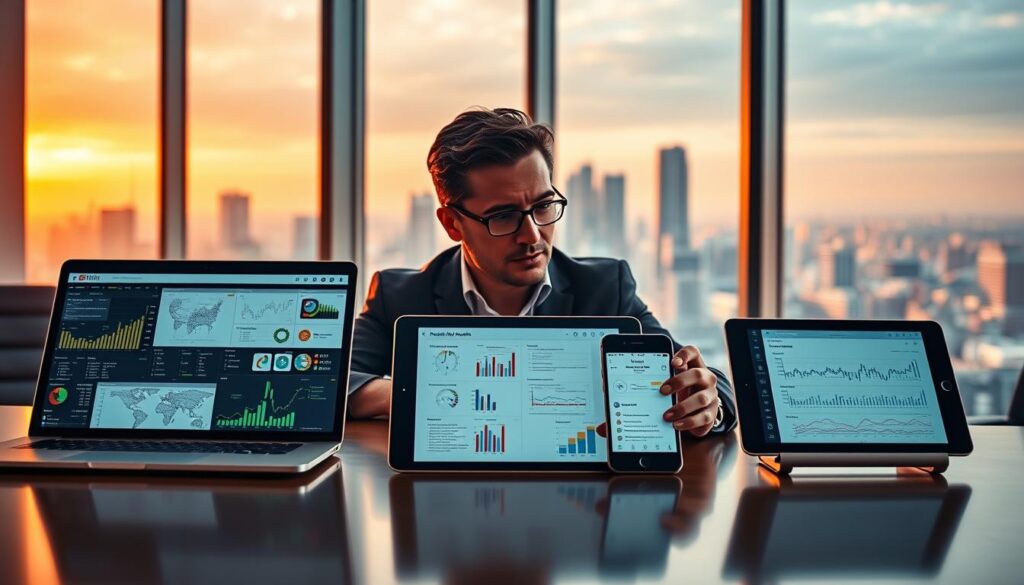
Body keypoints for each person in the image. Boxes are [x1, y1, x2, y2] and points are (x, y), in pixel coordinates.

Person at [347, 107, 736, 437]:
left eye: (544, 206)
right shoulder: (399, 297)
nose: (531, 235)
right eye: (503, 216)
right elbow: (330, 383)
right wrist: (418, 392)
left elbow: (702, 383)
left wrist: (707, 404)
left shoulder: (603, 289)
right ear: (452, 224)